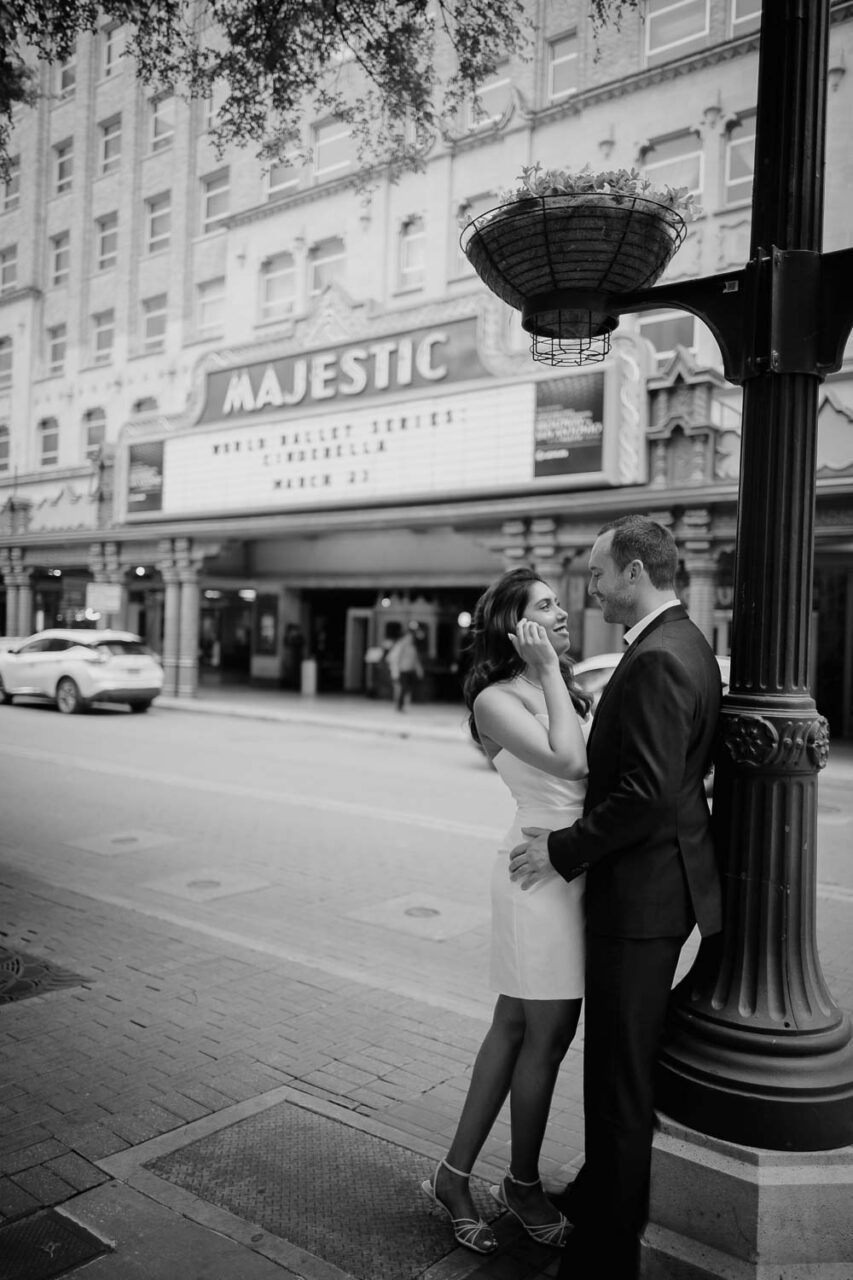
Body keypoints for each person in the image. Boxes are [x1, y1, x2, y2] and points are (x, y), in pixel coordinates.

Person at [509, 515, 723, 1280]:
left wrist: (561, 850)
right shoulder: (678, 642)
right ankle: (599, 1191)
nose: (590, 586)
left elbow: (644, 794)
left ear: (633, 572)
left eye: (598, 573)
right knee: (618, 1066)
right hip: (654, 889)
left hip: (641, 900)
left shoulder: (661, 658)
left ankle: (606, 1251)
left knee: (618, 1078)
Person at [420, 566, 592, 1255]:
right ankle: (519, 1184)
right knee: (544, 1037)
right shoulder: (497, 699)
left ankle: (453, 1175)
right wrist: (548, 670)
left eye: (558, 604)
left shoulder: (561, 688)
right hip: (534, 876)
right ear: (513, 627)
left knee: (515, 1028)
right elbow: (570, 763)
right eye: (544, 607)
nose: (560, 613)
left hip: (569, 862)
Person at [386, 622, 424, 711]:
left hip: (409, 670)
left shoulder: (412, 647)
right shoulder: (401, 645)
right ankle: (399, 705)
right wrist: (395, 670)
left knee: (407, 688)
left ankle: (402, 704)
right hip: (401, 670)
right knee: (402, 687)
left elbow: (415, 660)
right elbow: (393, 658)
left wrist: (419, 670)